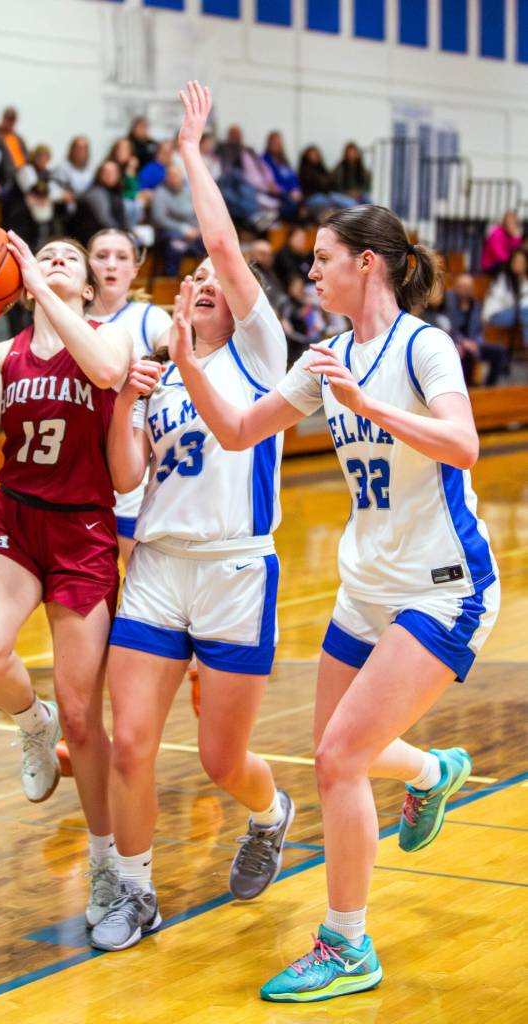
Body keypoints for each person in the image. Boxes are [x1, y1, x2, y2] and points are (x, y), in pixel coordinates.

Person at [170, 202, 499, 1002]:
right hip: (365, 588)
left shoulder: (422, 346)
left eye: (323, 258)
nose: (310, 270)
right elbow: (242, 430)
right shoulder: (323, 359)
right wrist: (184, 359)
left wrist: (368, 403)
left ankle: (347, 944)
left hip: (440, 586)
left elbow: (464, 444)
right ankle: (429, 771)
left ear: (367, 264)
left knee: (337, 758)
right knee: (333, 753)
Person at [89, 81, 294, 954]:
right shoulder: (156, 368)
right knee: (131, 742)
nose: (208, 281)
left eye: (221, 281)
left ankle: (270, 809)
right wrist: (121, 407)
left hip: (236, 570)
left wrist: (189, 151)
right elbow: (126, 475)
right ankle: (135, 892)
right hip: (159, 569)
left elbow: (217, 238)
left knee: (219, 762)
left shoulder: (260, 350)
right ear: (178, 303)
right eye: (196, 283)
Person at [0, 232, 132, 926]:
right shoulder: (1, 355)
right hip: (17, 515)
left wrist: (39, 290)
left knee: (85, 715)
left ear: (89, 283)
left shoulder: (111, 340)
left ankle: (105, 861)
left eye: (70, 258)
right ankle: (29, 722)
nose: (56, 261)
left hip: (84, 532)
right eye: (43, 256)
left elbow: (104, 373)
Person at [85, 227, 172, 564]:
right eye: (101, 256)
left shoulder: (149, 317)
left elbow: (182, 351)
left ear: (135, 270)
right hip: (80, 468)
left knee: (137, 586)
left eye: (121, 258)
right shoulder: (71, 321)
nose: (110, 265)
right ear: (87, 264)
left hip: (129, 460)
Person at [446, 273, 508, 386]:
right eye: (461, 286)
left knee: (499, 350)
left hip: (474, 342)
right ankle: (468, 388)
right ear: (456, 287)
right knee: (466, 353)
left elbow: (479, 330)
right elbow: (450, 327)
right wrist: (463, 342)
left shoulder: (475, 305)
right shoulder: (449, 302)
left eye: (467, 287)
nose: (464, 290)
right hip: (454, 342)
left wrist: (476, 342)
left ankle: (490, 387)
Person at [151, 163, 205, 275]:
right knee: (174, 247)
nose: (174, 179)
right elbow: (159, 218)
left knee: (209, 243)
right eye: (171, 176)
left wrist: (197, 229)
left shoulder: (189, 189)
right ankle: (170, 281)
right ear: (166, 177)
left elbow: (199, 212)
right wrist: (182, 229)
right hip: (168, 232)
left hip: (193, 232)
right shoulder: (160, 192)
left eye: (176, 176)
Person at [73, 161, 128, 245]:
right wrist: (125, 236)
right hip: (92, 241)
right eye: (106, 172)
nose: (109, 175)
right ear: (99, 174)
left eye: (113, 172)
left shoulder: (115, 192)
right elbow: (105, 220)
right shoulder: (95, 193)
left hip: (106, 237)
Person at [481, 247, 528, 346]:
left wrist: (523, 277)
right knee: (525, 311)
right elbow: (508, 301)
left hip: (515, 313)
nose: (519, 264)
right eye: (517, 261)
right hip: (496, 314)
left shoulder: (522, 279)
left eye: (522, 262)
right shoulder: (503, 277)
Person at [298, 145, 357, 213]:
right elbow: (320, 184)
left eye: (316, 154)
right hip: (313, 197)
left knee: (350, 203)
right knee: (333, 204)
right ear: (306, 156)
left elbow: (330, 183)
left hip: (327, 195)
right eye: (312, 154)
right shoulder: (305, 171)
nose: (314, 156)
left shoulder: (321, 169)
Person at [480, 210, 523, 274]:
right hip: (492, 265)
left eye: (513, 222)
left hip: (507, 263)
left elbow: (518, 251)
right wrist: (513, 260)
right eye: (509, 221)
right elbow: (499, 255)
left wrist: (516, 238)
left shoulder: (514, 235)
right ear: (504, 221)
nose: (511, 224)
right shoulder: (497, 233)